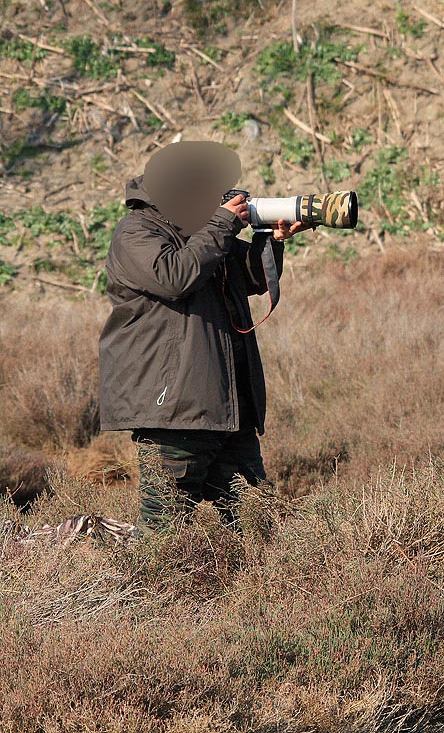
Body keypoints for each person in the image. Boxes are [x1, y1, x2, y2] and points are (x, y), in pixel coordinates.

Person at [97, 141, 308, 530]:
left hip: (229, 410)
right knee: (165, 539)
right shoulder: (136, 232)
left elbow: (251, 278)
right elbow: (176, 276)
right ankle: (154, 592)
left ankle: (259, 592)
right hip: (174, 413)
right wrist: (222, 222)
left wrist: (272, 240)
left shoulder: (204, 230)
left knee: (260, 529)